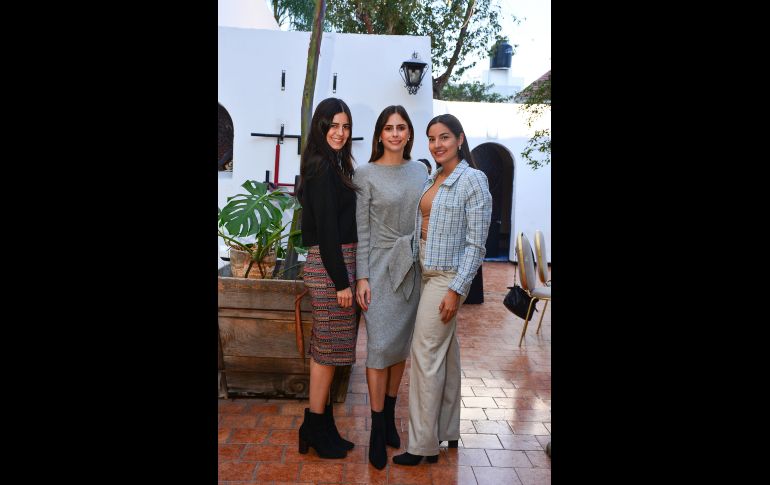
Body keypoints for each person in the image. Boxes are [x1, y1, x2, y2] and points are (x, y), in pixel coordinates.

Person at [393, 114, 492, 466]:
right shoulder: (434, 175)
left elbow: (476, 244)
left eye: (445, 137)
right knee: (445, 355)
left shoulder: (473, 180)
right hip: (425, 272)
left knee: (424, 355)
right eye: (432, 138)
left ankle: (422, 446)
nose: (437, 144)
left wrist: (456, 289)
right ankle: (447, 430)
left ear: (460, 139)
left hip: (446, 278)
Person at [353, 105, 428, 469]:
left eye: (401, 127)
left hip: (411, 267)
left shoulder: (421, 171)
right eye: (388, 128)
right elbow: (362, 229)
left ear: (409, 133)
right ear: (379, 135)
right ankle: (376, 425)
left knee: (399, 346)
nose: (395, 134)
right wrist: (362, 277)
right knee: (379, 346)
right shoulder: (365, 174)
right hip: (379, 269)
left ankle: (389, 416)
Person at [295, 97, 359, 459]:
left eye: (345, 126)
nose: (340, 132)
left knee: (330, 350)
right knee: (327, 351)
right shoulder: (320, 167)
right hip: (330, 266)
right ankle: (315, 427)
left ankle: (320, 425)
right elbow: (329, 233)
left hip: (337, 263)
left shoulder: (333, 163)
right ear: (320, 127)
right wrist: (341, 283)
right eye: (333, 125)